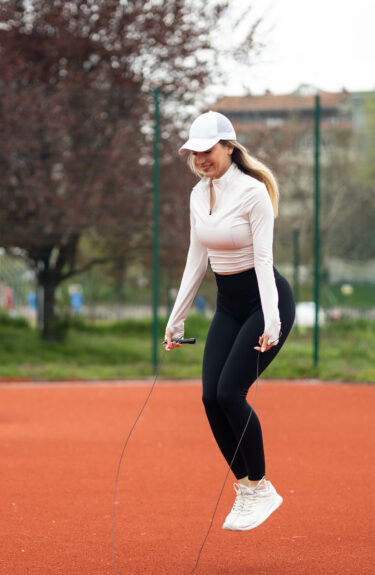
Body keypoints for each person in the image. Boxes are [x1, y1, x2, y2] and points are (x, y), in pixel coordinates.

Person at [164, 111, 296, 532]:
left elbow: (263, 261)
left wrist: (272, 321)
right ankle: (247, 487)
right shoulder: (197, 196)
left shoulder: (253, 193)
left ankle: (261, 485)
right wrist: (176, 318)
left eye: (207, 151)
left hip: (265, 302)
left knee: (230, 393)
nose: (200, 159)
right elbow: (195, 259)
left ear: (228, 147)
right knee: (209, 398)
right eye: (194, 153)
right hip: (228, 307)